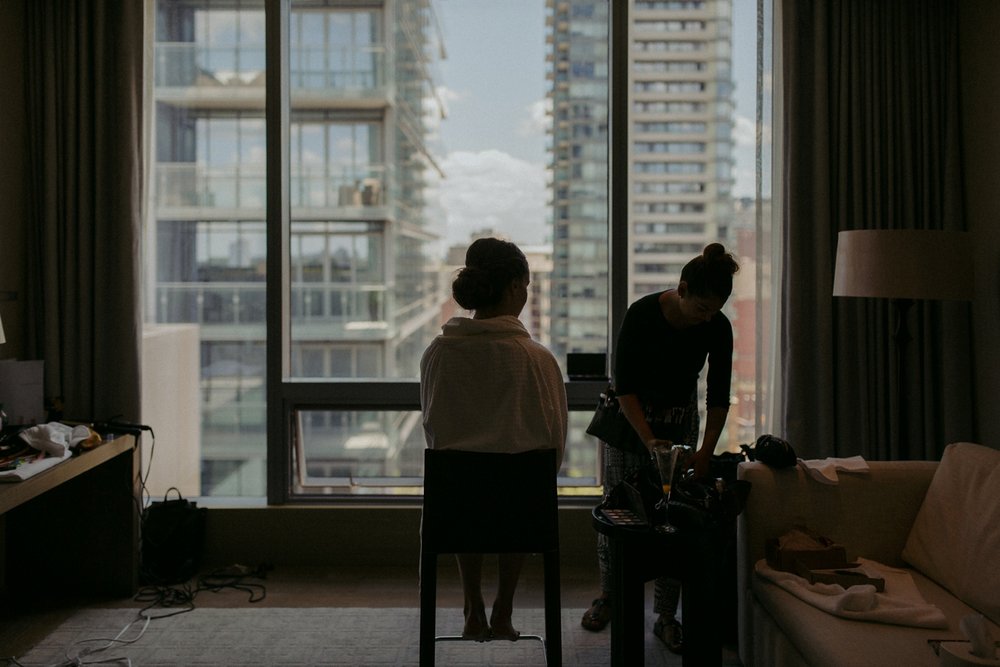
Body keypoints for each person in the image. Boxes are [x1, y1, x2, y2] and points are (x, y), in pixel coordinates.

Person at [581, 242, 739, 653]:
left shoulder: (717, 326)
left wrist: (705, 452)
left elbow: (718, 395)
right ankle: (610, 595)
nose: (707, 316)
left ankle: (666, 615)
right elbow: (625, 386)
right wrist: (649, 439)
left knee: (676, 513)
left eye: (714, 309)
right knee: (619, 507)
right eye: (702, 307)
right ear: (682, 289)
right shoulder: (643, 314)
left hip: (680, 416)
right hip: (629, 418)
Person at [420, 237, 568, 642]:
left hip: (453, 512)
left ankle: (473, 606)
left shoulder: (438, 353)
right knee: (523, 483)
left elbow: (435, 433)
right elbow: (553, 445)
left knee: (462, 482)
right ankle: (504, 608)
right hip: (523, 513)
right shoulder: (536, 359)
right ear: (516, 288)